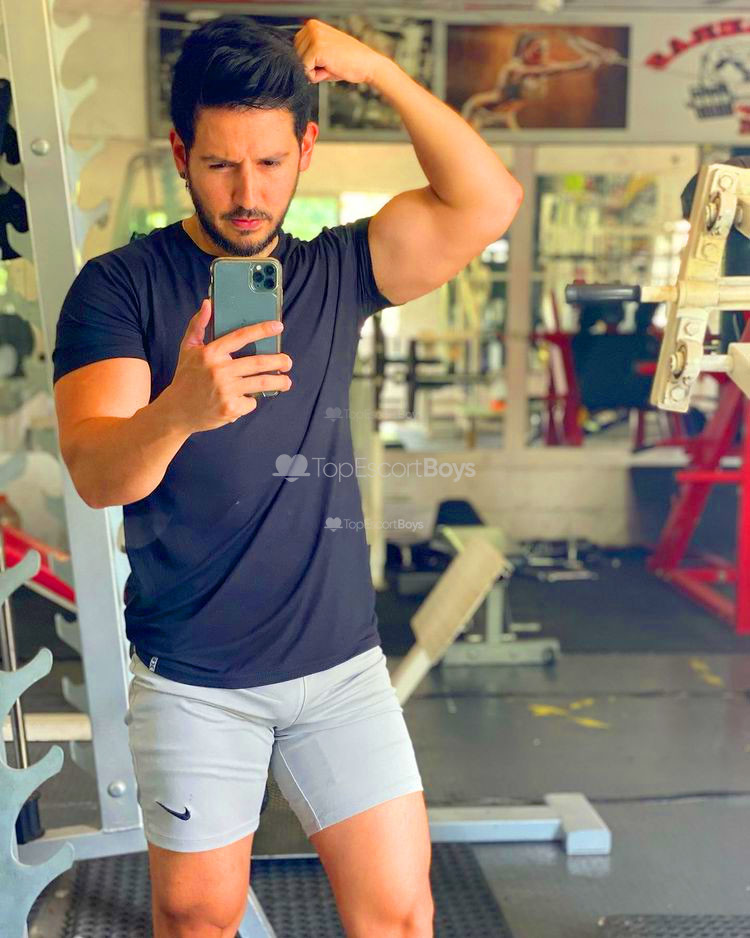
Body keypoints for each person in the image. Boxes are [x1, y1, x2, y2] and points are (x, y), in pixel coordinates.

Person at [52, 16, 522, 938]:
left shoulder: (339, 271)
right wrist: (180, 409)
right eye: (221, 164)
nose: (248, 194)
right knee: (198, 920)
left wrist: (381, 71)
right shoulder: (118, 287)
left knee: (400, 916)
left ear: (306, 148)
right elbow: (99, 475)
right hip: (196, 679)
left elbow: (488, 201)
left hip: (341, 670)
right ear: (182, 155)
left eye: (270, 163)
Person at [461, 31, 625, 131]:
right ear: (523, 49)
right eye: (536, 49)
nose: (540, 53)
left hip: (507, 116)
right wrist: (581, 63)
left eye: (543, 49)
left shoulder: (544, 66)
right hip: (480, 110)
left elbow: (575, 66)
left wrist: (601, 56)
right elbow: (557, 69)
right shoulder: (515, 67)